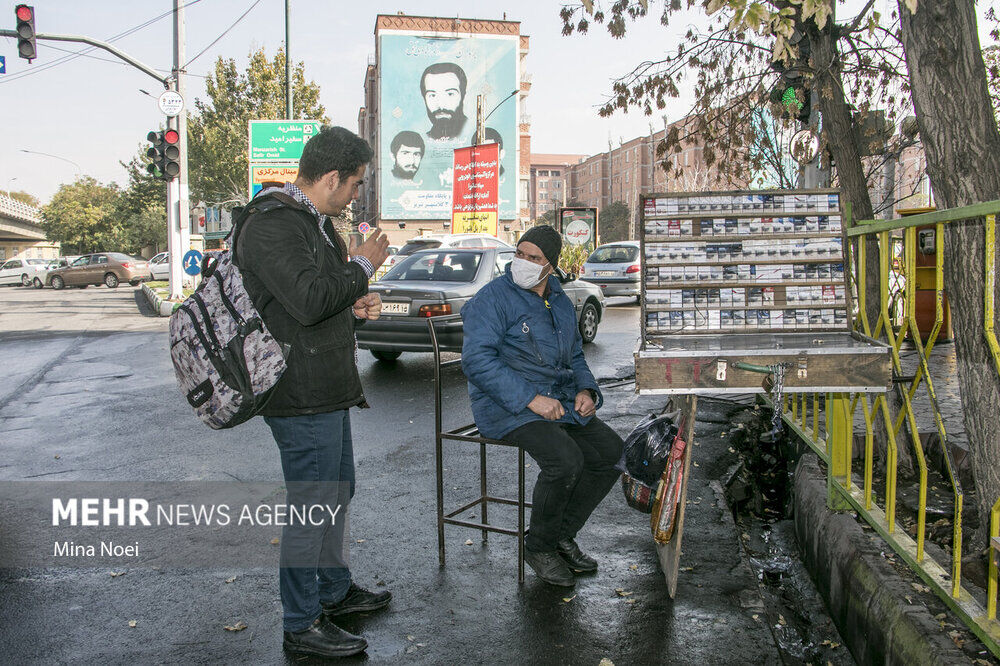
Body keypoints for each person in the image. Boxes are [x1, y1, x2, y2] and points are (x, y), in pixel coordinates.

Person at [237, 125, 392, 658]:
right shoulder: (272, 222)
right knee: (313, 506)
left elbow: (319, 299)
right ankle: (301, 623)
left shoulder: (314, 223)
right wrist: (363, 266)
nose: (355, 194)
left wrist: (355, 303)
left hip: (325, 386)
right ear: (330, 178)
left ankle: (333, 590)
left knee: (338, 491)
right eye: (354, 183)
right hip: (298, 392)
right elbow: (305, 300)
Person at [460, 225, 625, 587]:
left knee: (611, 453)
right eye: (519, 254)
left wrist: (586, 390)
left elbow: (575, 355)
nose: (523, 262)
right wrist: (530, 399)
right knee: (565, 461)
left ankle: (561, 536)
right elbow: (476, 361)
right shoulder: (493, 298)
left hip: (557, 402)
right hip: (505, 407)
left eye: (534, 258)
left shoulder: (560, 300)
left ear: (550, 266)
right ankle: (539, 547)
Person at [420, 62, 468, 140]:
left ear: (463, 95)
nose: (441, 105)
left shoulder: (474, 132)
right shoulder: (423, 140)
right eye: (432, 95)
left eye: (450, 94)